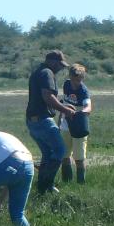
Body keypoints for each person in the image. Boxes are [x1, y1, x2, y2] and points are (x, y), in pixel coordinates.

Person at [25, 49, 76, 194]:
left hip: (32, 120)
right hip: (42, 120)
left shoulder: (38, 72)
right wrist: (66, 110)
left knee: (47, 153)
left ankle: (42, 187)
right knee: (60, 150)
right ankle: (46, 185)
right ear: (51, 61)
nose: (61, 68)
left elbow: (44, 98)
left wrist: (62, 105)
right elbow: (47, 97)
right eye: (59, 65)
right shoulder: (47, 73)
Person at [58, 64, 92, 184]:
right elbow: (64, 101)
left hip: (78, 126)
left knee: (79, 158)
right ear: (70, 76)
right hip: (65, 125)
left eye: (80, 80)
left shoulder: (83, 90)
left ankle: (80, 184)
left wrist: (79, 114)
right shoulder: (66, 84)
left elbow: (88, 107)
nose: (77, 82)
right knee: (64, 155)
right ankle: (66, 182)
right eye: (75, 79)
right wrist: (59, 121)